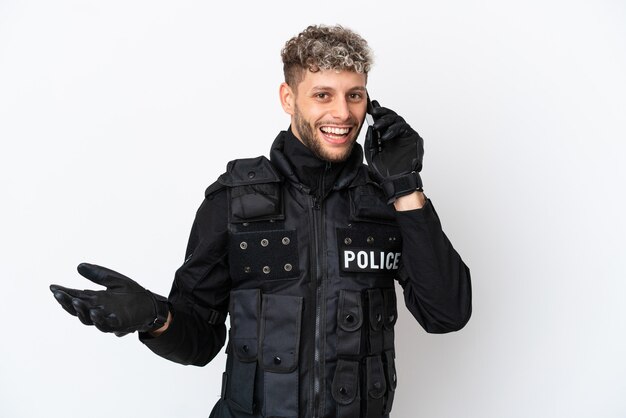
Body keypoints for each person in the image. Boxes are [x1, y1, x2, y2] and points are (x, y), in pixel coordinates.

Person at [50, 24, 472, 418]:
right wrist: (155, 317)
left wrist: (405, 187)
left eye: (355, 95)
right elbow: (200, 342)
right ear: (288, 98)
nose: (343, 113)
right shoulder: (234, 199)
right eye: (322, 95)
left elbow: (446, 315)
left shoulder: (387, 201)